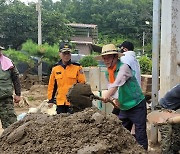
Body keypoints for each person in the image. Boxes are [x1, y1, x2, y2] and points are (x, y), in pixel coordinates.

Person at [97, 44, 148, 150]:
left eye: (109, 57)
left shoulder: (124, 67)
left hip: (136, 104)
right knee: (121, 133)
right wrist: (113, 99)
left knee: (140, 134)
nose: (106, 60)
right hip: (124, 107)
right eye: (104, 58)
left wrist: (106, 96)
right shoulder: (108, 73)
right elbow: (112, 88)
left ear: (116, 57)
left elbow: (116, 84)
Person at [47, 42, 86, 114]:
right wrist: (50, 100)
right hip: (60, 102)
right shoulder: (55, 68)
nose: (66, 56)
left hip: (73, 102)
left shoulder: (77, 67)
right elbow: (52, 86)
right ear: (60, 54)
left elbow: (82, 84)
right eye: (64, 53)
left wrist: (81, 99)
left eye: (68, 53)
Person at [0, 46, 21, 129]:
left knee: (11, 126)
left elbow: (15, 78)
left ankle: (10, 142)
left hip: (5, 99)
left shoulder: (8, 63)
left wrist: (18, 94)